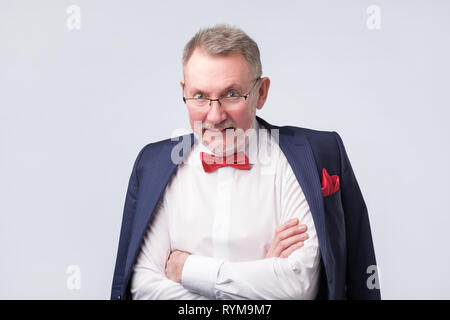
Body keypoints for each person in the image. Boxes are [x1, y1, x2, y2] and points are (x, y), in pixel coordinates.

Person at [110, 24, 380, 300]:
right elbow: (143, 286)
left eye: (231, 94)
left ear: (261, 92)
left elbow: (298, 286)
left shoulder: (311, 155)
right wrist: (263, 276)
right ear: (184, 91)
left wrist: (188, 269)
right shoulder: (154, 164)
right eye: (200, 96)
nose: (215, 116)